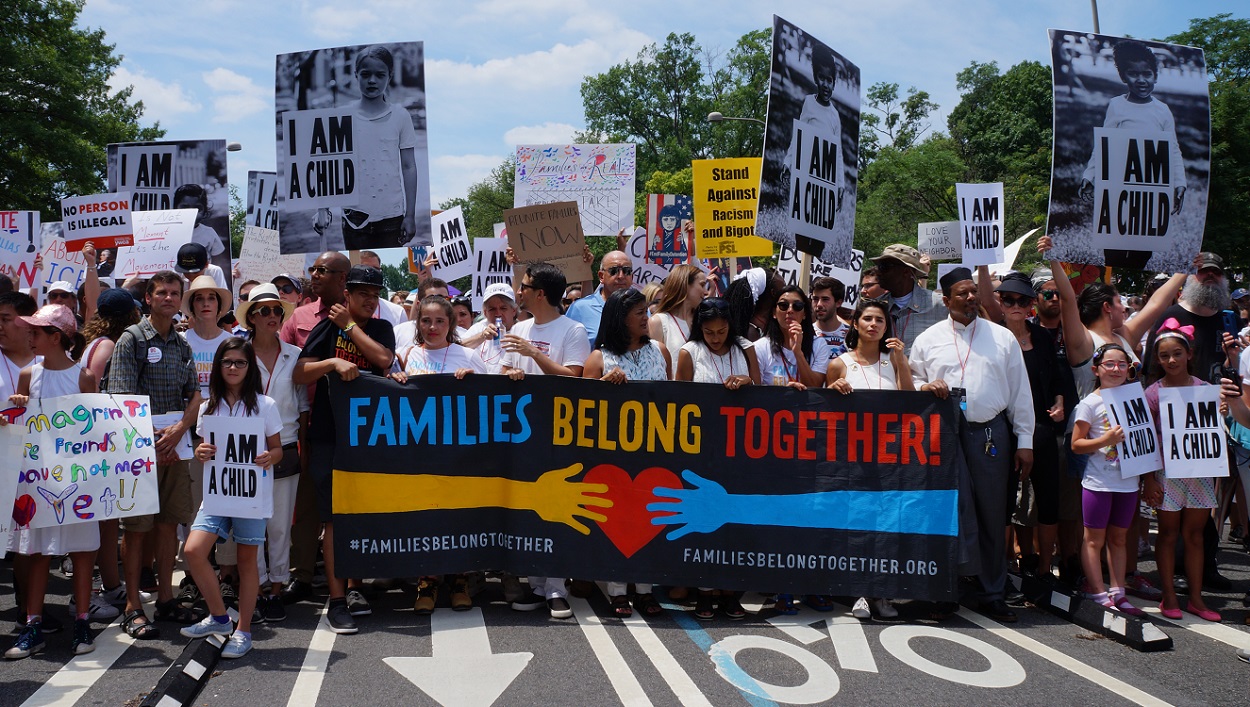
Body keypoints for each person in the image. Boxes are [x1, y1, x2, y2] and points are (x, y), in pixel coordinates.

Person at [909, 267, 1034, 623]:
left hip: (990, 435)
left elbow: (1020, 391)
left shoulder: (1002, 338)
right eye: (961, 294)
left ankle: (992, 592)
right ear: (946, 300)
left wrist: (1025, 440)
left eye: (973, 293)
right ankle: (946, 591)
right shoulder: (928, 338)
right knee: (949, 514)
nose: (970, 298)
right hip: (945, 435)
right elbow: (913, 378)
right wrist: (924, 387)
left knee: (992, 514)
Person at [293, 264, 395, 633]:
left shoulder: (380, 328)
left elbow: (383, 360)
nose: (370, 300)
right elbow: (300, 372)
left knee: (364, 514)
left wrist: (349, 327)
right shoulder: (325, 329)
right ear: (346, 295)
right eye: (362, 294)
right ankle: (337, 601)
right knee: (334, 518)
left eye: (375, 294)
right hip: (328, 436)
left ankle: (356, 588)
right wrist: (333, 362)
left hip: (371, 438)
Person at [108, 271, 203, 639]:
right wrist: (153, 441)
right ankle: (133, 605)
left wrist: (179, 431)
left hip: (174, 449)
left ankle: (165, 598)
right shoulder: (131, 339)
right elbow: (121, 399)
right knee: (136, 531)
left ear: (181, 299)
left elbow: (194, 395)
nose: (168, 298)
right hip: (138, 451)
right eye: (161, 292)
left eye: (174, 293)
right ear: (148, 298)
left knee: (168, 526)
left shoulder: (182, 345)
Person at [4, 305, 99, 659]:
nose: (29, 337)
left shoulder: (84, 377)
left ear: (56, 337)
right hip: (39, 480)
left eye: (36, 332)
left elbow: (97, 431)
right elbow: (19, 424)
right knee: (38, 552)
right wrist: (14, 410)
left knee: (83, 552)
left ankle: (82, 622)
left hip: (77, 482)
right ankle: (33, 625)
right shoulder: (29, 374)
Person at [180, 339, 284, 659]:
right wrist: (200, 452)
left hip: (250, 495)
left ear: (250, 366)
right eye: (227, 362)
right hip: (217, 492)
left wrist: (270, 457)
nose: (233, 368)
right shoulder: (208, 406)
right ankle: (221, 617)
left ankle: (244, 631)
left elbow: (279, 449)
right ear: (218, 366)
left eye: (240, 362)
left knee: (246, 562)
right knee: (194, 551)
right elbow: (202, 449)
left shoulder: (265, 405)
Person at [501, 262, 590, 619]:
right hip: (523, 431)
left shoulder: (573, 330)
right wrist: (513, 371)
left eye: (523, 286)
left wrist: (534, 354)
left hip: (558, 432)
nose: (517, 291)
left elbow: (573, 379)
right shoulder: (520, 327)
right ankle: (537, 584)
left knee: (554, 506)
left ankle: (557, 587)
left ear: (540, 293)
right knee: (529, 506)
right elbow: (506, 369)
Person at [389, 295, 484, 614]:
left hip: (460, 456)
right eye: (426, 321)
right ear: (417, 323)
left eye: (440, 321)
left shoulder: (468, 356)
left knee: (458, 516)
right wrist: (394, 381)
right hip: (418, 457)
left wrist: (473, 385)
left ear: (451, 324)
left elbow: (491, 403)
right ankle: (427, 581)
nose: (432, 327)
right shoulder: (405, 355)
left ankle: (459, 579)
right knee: (426, 519)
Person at [580, 288, 671, 616]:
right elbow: (583, 409)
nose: (646, 318)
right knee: (617, 519)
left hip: (655, 451)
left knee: (649, 517)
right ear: (621, 319)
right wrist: (603, 385)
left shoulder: (660, 351)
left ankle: (646, 589)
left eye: (646, 312)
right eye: (639, 314)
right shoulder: (599, 358)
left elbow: (673, 398)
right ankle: (617, 589)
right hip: (614, 454)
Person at [825, 296, 912, 619]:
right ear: (856, 325)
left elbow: (910, 403)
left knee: (887, 526)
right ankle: (858, 592)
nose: (874, 325)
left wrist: (902, 361)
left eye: (880, 320)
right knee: (857, 524)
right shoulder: (840, 363)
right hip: (853, 458)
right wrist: (834, 388)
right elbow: (823, 410)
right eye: (868, 319)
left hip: (890, 457)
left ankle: (882, 593)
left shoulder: (895, 361)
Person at [674, 297, 757, 619]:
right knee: (704, 520)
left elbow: (764, 392)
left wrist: (749, 382)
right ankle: (704, 591)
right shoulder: (689, 352)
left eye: (722, 331)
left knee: (733, 521)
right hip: (702, 450)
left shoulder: (745, 348)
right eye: (709, 332)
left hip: (740, 450)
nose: (716, 338)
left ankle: (730, 591)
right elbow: (678, 398)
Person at [278, 251, 350, 606]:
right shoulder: (299, 317)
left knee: (346, 507)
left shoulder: (363, 312)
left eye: (322, 270)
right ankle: (303, 575)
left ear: (342, 277)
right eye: (313, 269)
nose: (314, 275)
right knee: (306, 502)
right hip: (308, 418)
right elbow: (287, 364)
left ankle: (352, 578)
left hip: (352, 425)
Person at [1079, 39, 1186, 271]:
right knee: (1115, 240)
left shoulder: (1162, 110)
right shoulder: (1116, 106)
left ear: (1155, 75)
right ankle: (1115, 275)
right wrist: (1090, 175)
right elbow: (1103, 145)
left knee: (1143, 245)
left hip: (1150, 188)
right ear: (1123, 77)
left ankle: (1133, 275)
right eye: (1133, 74)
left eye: (1147, 73)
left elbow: (1173, 148)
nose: (1141, 80)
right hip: (1119, 185)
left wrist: (1179, 183)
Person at [1142, 321, 1222, 621]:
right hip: (1166, 474)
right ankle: (1169, 595)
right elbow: (1147, 440)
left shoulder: (1205, 390)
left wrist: (1222, 412)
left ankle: (1197, 598)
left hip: (1199, 473)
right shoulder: (1153, 393)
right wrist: (1148, 479)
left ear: (1189, 354)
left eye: (1177, 353)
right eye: (1164, 356)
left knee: (1195, 536)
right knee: (1166, 534)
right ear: (1157, 359)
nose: (1171, 360)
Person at [237, 284, 304, 623]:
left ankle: (278, 586)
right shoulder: (237, 353)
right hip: (246, 450)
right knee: (252, 526)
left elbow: (302, 405)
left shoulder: (293, 354)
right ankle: (258, 586)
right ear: (251, 316)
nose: (273, 316)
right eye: (265, 311)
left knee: (279, 525)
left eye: (277, 311)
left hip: (286, 446)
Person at [995, 273, 1064, 582]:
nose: (1015, 306)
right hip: (1003, 426)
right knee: (1005, 499)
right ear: (999, 302)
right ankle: (1007, 562)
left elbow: (1056, 377)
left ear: (1031, 305)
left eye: (1023, 300)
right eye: (1008, 299)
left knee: (1049, 497)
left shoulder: (1043, 337)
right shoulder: (991, 336)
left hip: (1041, 424)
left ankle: (1044, 567)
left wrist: (1060, 399)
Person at [1070, 344, 1146, 616]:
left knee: (1119, 538)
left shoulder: (1135, 399)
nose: (1116, 370)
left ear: (1130, 369)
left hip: (1128, 482)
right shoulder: (1090, 403)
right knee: (1094, 539)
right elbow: (1077, 444)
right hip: (1099, 482)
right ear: (1096, 369)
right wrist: (1106, 440)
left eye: (1122, 365)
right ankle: (1098, 591)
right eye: (1110, 364)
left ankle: (1119, 592)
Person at [80, 288, 143, 611]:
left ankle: (112, 586)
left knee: (104, 520)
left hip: (92, 443)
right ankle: (91, 595)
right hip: (103, 443)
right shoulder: (112, 347)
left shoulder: (92, 343)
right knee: (98, 522)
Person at [341, 46, 418, 249]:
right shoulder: (342, 115)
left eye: (379, 75)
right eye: (366, 75)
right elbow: (330, 165)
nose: (372, 80)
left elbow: (409, 166)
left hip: (392, 216)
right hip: (353, 217)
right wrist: (321, 210)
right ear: (356, 75)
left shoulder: (401, 116)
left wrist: (410, 215)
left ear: (390, 76)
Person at [870, 245, 946, 355]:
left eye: (884, 267)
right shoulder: (875, 307)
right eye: (878, 267)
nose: (878, 272)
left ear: (906, 271)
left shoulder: (939, 305)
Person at [753, 286, 824, 388]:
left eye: (797, 306)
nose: (790, 310)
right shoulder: (760, 347)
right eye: (783, 305)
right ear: (774, 313)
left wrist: (798, 352)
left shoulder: (819, 345)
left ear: (804, 314)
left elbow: (816, 387)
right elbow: (756, 392)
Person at [567, 251, 635, 348]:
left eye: (626, 271)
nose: (621, 276)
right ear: (601, 276)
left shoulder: (641, 309)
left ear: (632, 277)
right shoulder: (580, 308)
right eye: (614, 271)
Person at [647, 265, 706, 357]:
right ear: (685, 285)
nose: (705, 292)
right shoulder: (659, 322)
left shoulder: (703, 320)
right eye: (702, 285)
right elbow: (653, 364)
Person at [173, 184, 229, 275]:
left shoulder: (209, 233)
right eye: (185, 207)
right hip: (174, 285)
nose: (192, 212)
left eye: (197, 208)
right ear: (175, 208)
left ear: (205, 211)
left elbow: (220, 264)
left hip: (202, 284)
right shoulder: (168, 233)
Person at [359, 250, 408, 326]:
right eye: (366, 269)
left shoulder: (398, 312)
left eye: (376, 269)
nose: (372, 274)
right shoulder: (342, 312)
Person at [809, 276, 848, 358]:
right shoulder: (804, 333)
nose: (819, 304)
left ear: (838, 303)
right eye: (815, 299)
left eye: (825, 299)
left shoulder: (851, 335)